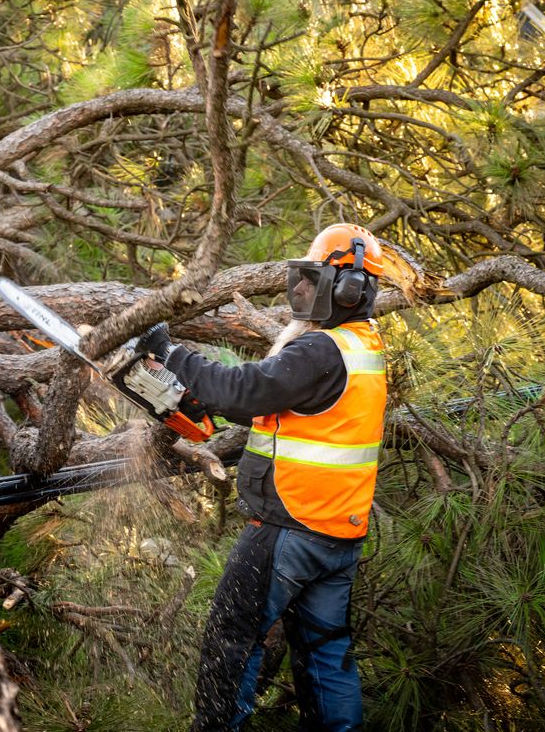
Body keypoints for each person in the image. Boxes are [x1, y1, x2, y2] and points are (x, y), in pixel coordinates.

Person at [140, 223, 387, 732]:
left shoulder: (324, 350)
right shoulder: (364, 346)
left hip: (289, 526)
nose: (302, 288)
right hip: (338, 534)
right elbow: (279, 409)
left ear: (347, 287)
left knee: (232, 638)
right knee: (326, 650)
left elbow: (248, 392)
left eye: (316, 277)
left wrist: (171, 355)